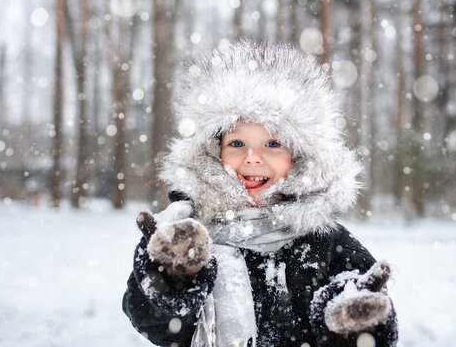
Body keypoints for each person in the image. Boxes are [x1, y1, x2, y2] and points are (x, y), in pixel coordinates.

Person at [122, 41, 398, 347]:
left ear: (299, 157)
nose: (253, 158)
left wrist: (352, 322)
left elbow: (364, 317)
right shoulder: (191, 240)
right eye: (238, 144)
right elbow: (154, 325)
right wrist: (171, 278)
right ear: (213, 153)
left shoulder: (325, 242)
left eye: (273, 144)